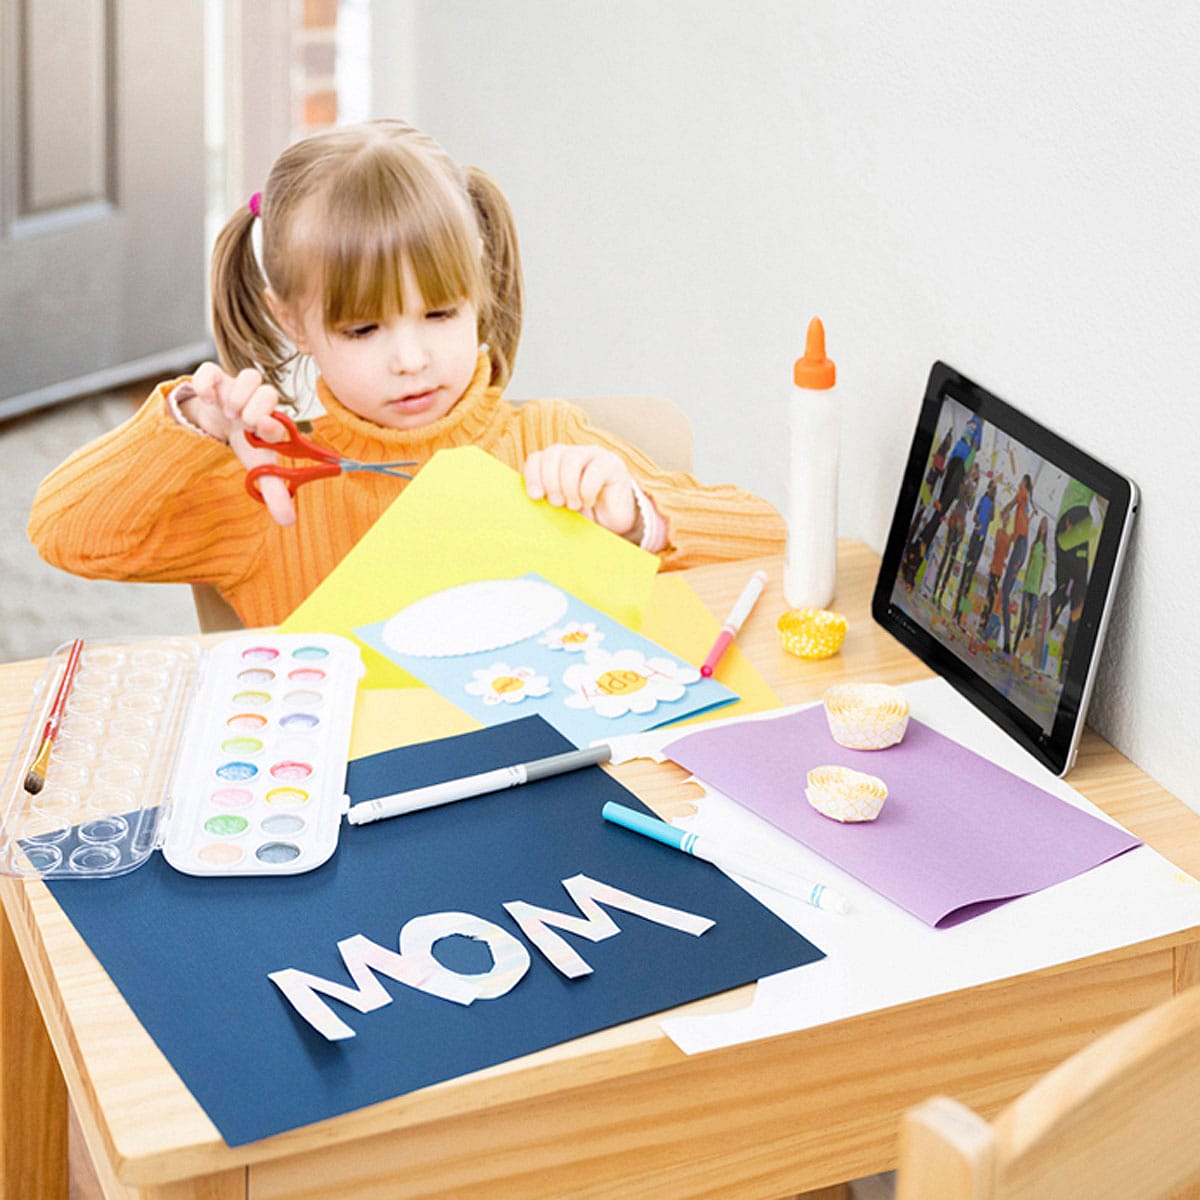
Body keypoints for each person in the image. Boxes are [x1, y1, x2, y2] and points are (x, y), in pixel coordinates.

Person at [28, 121, 785, 628]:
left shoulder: (550, 441)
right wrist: (189, 423)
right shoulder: (272, 488)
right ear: (292, 321)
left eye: (441, 315)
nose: (412, 359)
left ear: (481, 289)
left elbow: (769, 540)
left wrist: (636, 520)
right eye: (363, 328)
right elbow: (66, 536)